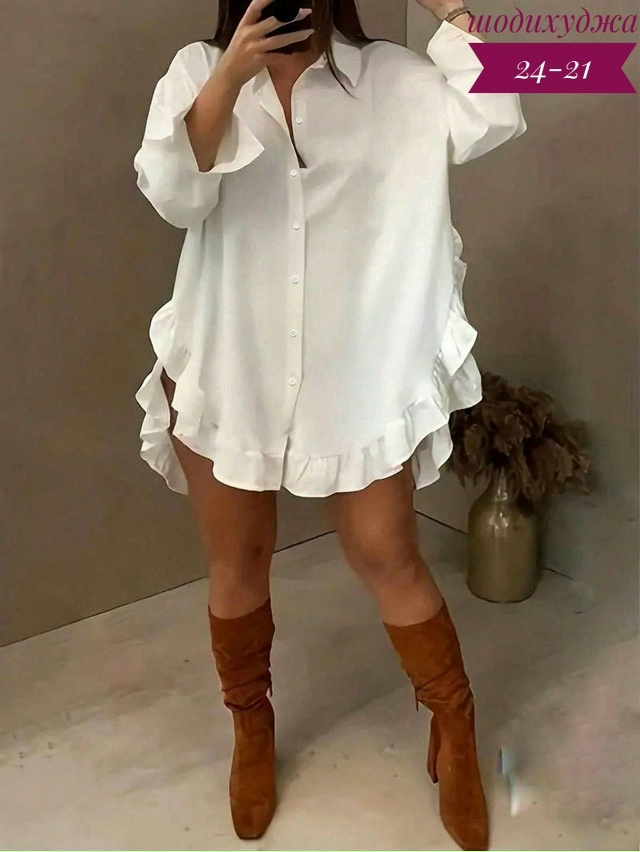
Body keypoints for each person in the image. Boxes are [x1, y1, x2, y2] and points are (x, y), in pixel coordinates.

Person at [133, 0, 525, 848]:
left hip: (359, 373)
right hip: (230, 359)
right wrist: (230, 77)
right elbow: (172, 194)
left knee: (388, 554)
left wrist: (455, 10)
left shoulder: (394, 79)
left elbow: (497, 111)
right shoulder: (200, 72)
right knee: (237, 560)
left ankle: (454, 724)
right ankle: (252, 728)